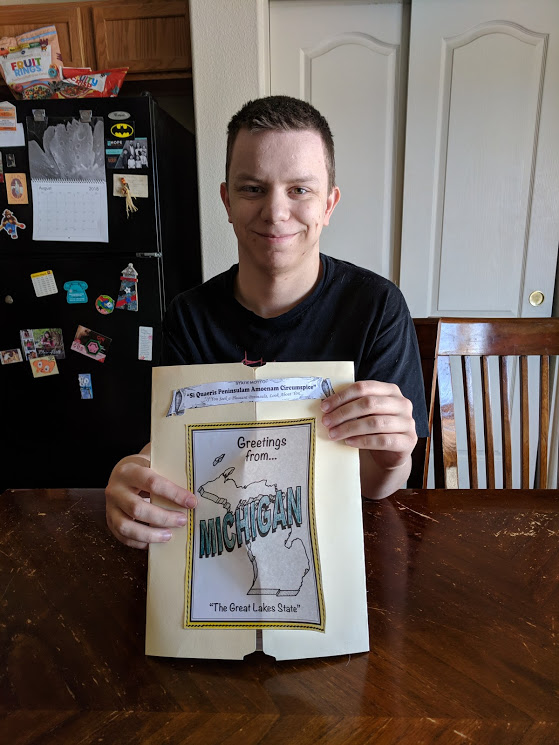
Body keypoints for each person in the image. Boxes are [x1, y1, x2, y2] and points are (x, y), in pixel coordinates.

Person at [106, 95, 428, 549]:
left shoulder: (378, 306)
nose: (275, 213)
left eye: (300, 190)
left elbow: (376, 486)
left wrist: (395, 458)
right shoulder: (188, 316)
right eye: (253, 188)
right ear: (227, 200)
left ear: (329, 204)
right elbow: (170, 450)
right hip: (226, 547)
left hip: (343, 549)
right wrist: (136, 478)